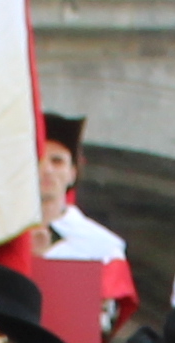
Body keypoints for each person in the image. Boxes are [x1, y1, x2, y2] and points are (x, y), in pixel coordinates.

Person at [33, 112, 128, 273]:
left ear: (72, 173)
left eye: (57, 161)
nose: (46, 169)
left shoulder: (103, 248)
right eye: (38, 160)